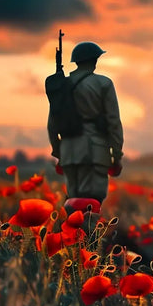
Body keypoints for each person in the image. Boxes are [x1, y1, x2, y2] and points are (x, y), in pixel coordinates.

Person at [50, 41, 124, 211]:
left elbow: (52, 124)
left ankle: (74, 229)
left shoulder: (62, 85)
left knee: (72, 205)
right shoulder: (104, 83)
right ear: (94, 60)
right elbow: (113, 122)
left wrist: (59, 153)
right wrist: (117, 155)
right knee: (92, 205)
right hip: (94, 152)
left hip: (68, 152)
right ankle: (88, 229)